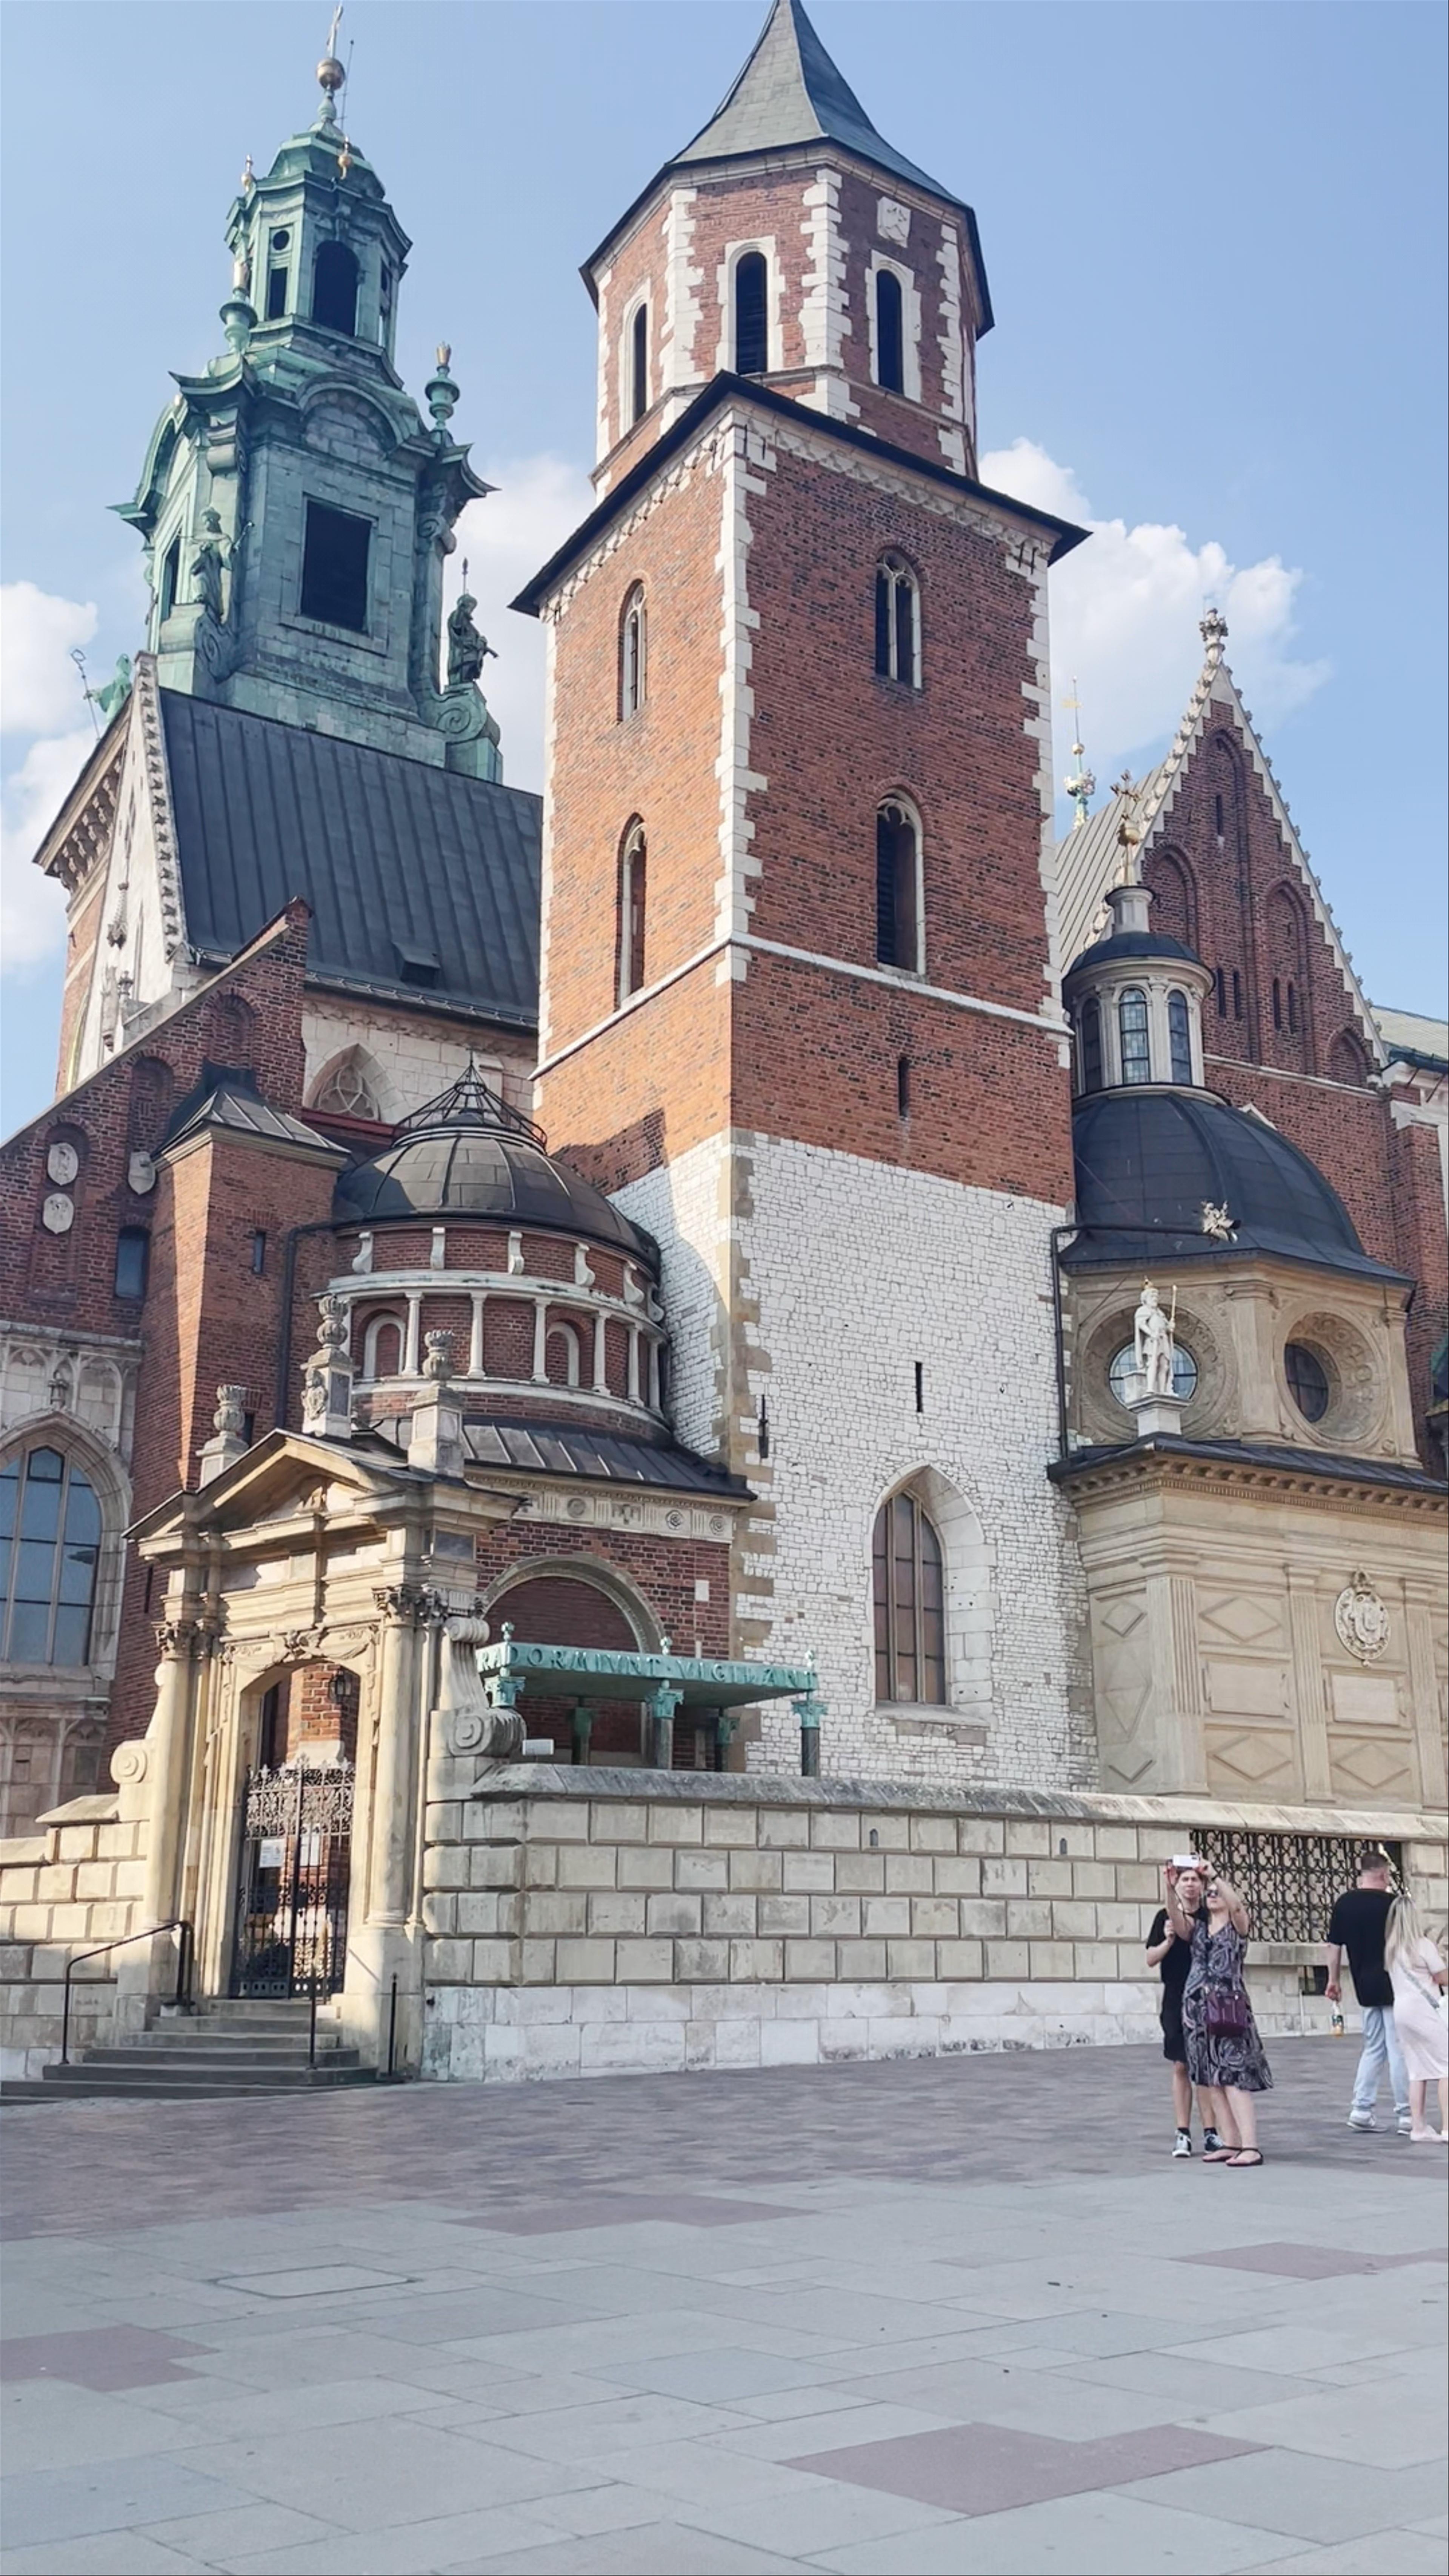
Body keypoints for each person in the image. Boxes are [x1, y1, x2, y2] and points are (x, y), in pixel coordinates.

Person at [1169, 1865, 1272, 2165]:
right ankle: (1231, 2141)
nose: (1212, 1895)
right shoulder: (1200, 1927)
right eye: (1209, 1892)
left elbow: (1239, 1906)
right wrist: (1170, 1887)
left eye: (1216, 1892)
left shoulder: (1237, 1926)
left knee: (1234, 2074)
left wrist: (1215, 1877)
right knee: (1210, 2077)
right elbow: (1177, 1921)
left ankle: (1250, 2145)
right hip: (1197, 2011)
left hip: (1228, 2006)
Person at [1325, 1848, 1411, 2135]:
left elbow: (1334, 1946)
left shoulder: (1344, 1904)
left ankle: (1362, 2109)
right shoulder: (1396, 1904)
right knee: (1398, 2048)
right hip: (1395, 1982)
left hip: (1364, 1984)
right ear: (1384, 1874)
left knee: (1373, 2046)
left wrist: (1333, 1980)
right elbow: (1408, 1946)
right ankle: (1407, 2113)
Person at [1146, 1864, 1223, 2156]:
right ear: (1177, 1886)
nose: (1190, 1885)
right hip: (1176, 1995)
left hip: (1205, 1996)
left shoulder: (1210, 1916)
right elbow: (1151, 1958)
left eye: (1195, 1880)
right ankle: (1182, 2132)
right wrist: (1167, 1941)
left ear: (1202, 1886)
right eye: (1185, 1879)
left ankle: (1211, 2131)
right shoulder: (1164, 1917)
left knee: (1204, 2065)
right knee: (1181, 2064)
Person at [1383, 1893, 1449, 2142]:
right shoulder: (1422, 1945)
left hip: (1402, 2010)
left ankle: (1418, 2127)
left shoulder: (1391, 1948)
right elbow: (1443, 1977)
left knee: (1417, 2070)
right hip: (1425, 2010)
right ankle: (1447, 2127)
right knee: (1446, 2065)